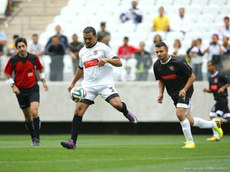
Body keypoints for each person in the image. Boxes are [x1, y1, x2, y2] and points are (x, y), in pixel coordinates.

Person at [61, 27, 138, 149]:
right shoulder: (82, 52)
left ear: (95, 37)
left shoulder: (103, 48)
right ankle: (72, 142)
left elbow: (119, 63)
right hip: (88, 86)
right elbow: (81, 69)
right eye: (85, 38)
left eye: (89, 38)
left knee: (117, 104)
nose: (87, 41)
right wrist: (73, 83)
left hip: (105, 84)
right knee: (78, 111)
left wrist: (107, 59)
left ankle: (126, 112)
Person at [153, 42, 223, 149]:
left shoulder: (178, 61)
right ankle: (214, 124)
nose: (159, 54)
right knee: (191, 121)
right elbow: (161, 80)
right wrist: (161, 94)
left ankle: (190, 142)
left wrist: (184, 89)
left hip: (186, 90)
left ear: (167, 51)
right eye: (157, 52)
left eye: (161, 51)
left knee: (179, 113)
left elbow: (192, 77)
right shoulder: (156, 65)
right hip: (174, 94)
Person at [4, 37, 48, 146]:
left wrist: (43, 80)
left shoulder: (33, 58)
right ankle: (33, 137)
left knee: (34, 112)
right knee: (28, 117)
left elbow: (41, 68)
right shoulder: (13, 60)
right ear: (16, 48)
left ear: (26, 46)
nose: (22, 48)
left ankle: (37, 140)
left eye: (23, 46)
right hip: (20, 91)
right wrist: (13, 86)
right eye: (19, 47)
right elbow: (7, 73)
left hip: (33, 88)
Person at [203, 61, 230, 141]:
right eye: (207, 66)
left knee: (212, 115)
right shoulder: (210, 78)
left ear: (214, 66)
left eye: (210, 66)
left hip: (222, 99)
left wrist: (223, 88)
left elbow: (228, 82)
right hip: (218, 99)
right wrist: (207, 91)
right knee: (228, 118)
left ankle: (217, 135)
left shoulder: (220, 75)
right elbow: (212, 89)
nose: (208, 68)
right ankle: (217, 135)